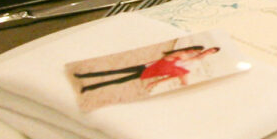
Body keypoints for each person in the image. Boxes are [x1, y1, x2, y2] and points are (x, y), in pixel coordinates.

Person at [71, 42, 221, 98]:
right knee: (116, 72)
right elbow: (166, 60)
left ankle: (88, 87)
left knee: (120, 79)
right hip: (148, 66)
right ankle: (84, 76)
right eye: (194, 50)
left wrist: (155, 82)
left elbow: (175, 73)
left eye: (211, 52)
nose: (196, 53)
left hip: (152, 71)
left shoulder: (189, 62)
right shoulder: (182, 54)